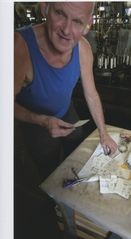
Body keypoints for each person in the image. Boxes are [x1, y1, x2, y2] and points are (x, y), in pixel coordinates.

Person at [14, 2, 117, 181]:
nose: (67, 30)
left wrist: (103, 133)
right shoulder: (18, 47)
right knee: (49, 167)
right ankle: (54, 206)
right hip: (35, 120)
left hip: (64, 109)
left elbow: (91, 94)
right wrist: (43, 121)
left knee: (77, 146)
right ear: (45, 8)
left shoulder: (83, 49)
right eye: (60, 13)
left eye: (77, 21)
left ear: (87, 25)